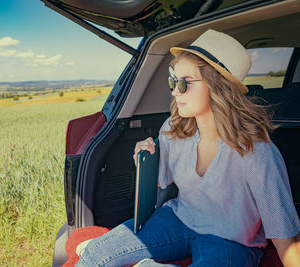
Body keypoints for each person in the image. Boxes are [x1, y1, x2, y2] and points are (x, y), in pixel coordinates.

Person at [75, 29, 300, 267]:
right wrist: (145, 159)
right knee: (95, 255)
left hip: (231, 241)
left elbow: (283, 234)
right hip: (178, 218)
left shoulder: (256, 152)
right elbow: (161, 183)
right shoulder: (172, 130)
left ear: (218, 87)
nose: (174, 91)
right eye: (173, 81)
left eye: (184, 83)